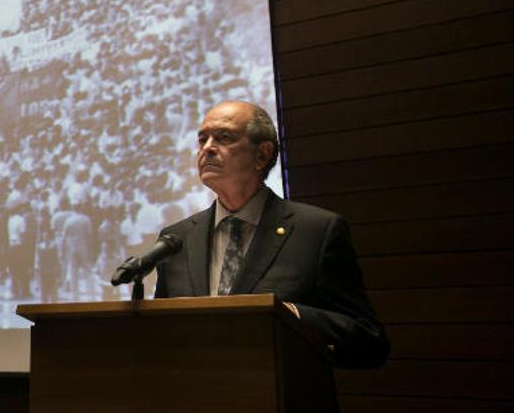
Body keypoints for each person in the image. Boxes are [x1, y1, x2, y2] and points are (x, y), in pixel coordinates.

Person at [154, 100, 389, 369]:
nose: (207, 148)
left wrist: (292, 316)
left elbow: (369, 340)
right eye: (202, 139)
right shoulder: (176, 239)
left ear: (262, 155)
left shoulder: (317, 231)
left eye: (224, 138)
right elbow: (161, 335)